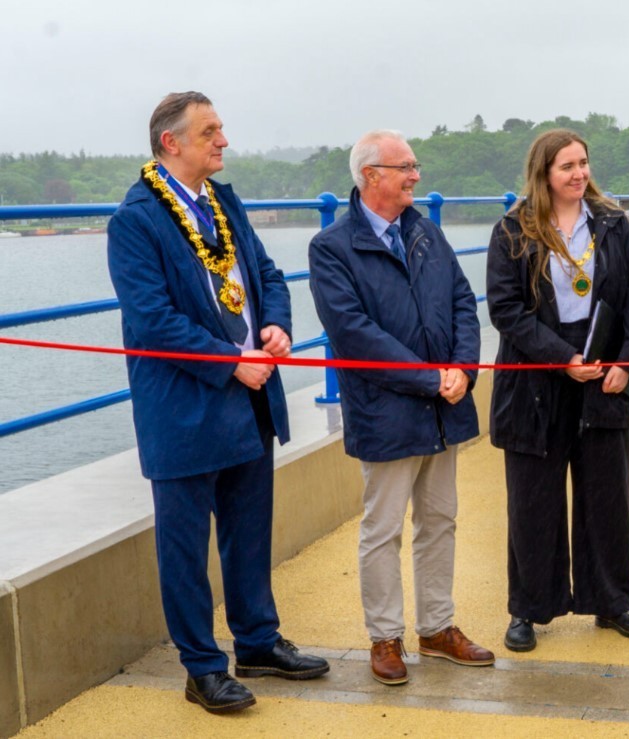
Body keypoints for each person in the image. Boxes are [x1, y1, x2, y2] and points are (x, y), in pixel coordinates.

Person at [106, 91, 328, 715]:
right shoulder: (136, 220)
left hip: (250, 402)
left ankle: (257, 641)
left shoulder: (225, 204)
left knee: (249, 532)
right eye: (209, 132)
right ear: (171, 143)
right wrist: (231, 361)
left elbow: (268, 278)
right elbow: (151, 320)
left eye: (221, 129)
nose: (223, 141)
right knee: (183, 546)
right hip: (183, 409)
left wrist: (276, 327)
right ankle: (202, 667)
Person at [308, 129, 493, 686]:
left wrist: (462, 368)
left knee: (440, 519)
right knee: (382, 527)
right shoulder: (332, 248)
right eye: (406, 167)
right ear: (371, 177)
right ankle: (384, 637)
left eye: (415, 166)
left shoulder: (427, 234)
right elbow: (353, 333)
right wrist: (429, 378)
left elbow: (463, 300)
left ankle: (437, 629)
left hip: (442, 402)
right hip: (387, 409)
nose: (416, 176)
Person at [486, 129, 629, 652]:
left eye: (583, 163)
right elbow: (505, 308)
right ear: (544, 173)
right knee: (533, 501)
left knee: (606, 497)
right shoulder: (513, 230)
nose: (579, 174)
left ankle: (613, 603)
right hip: (537, 378)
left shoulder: (611, 222)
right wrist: (563, 359)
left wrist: (626, 364)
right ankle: (528, 609)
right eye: (567, 166)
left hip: (604, 370)